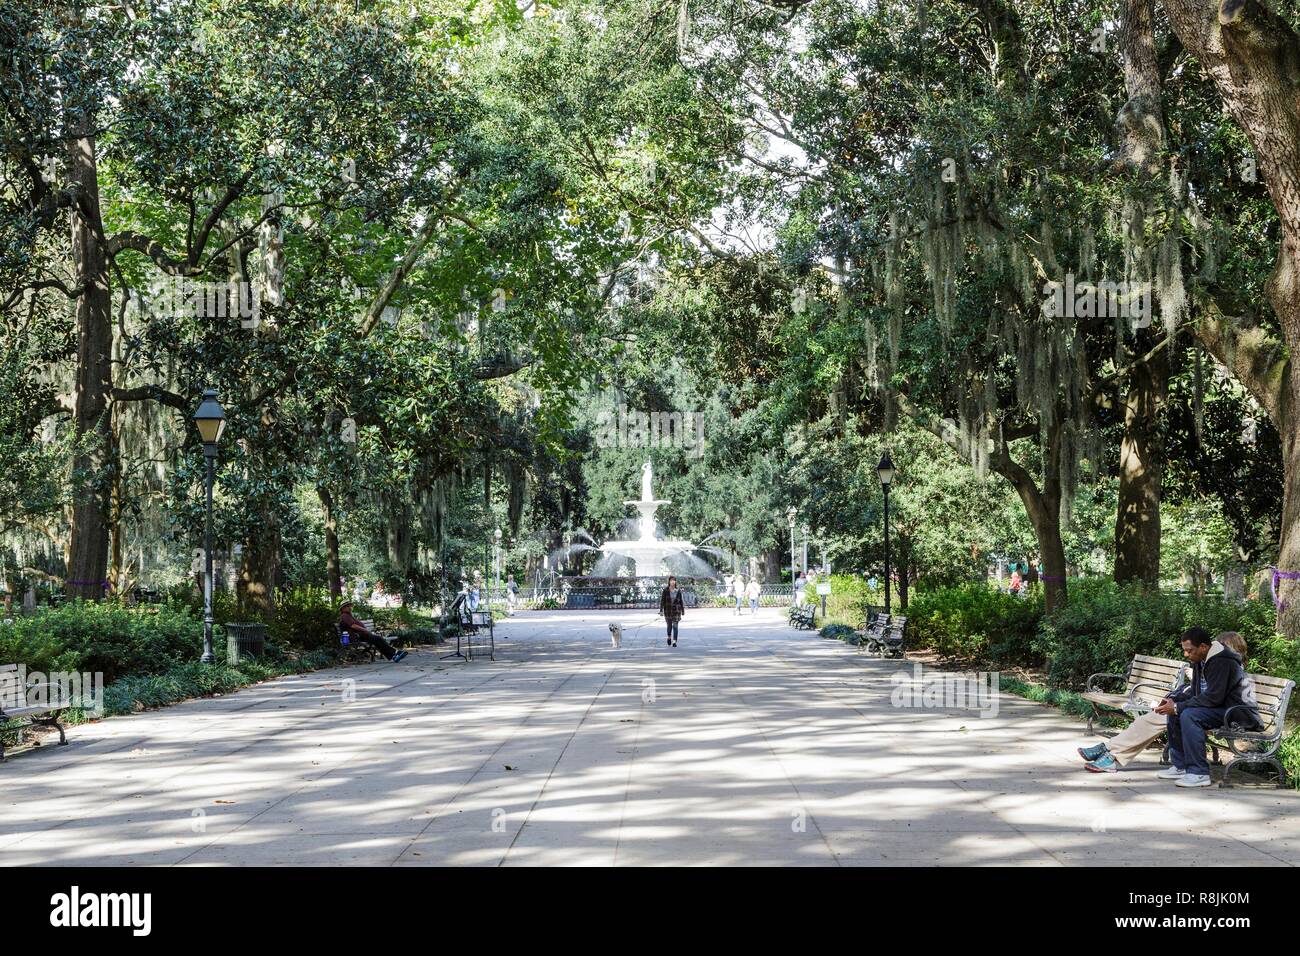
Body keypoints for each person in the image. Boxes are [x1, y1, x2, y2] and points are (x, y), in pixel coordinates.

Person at [1146, 626, 1257, 787]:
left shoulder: (1223, 661)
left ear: (1203, 647)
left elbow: (1214, 697)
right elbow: (1196, 693)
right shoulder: (1201, 660)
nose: (1186, 654)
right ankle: (1181, 766)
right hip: (1218, 708)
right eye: (1185, 650)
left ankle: (1199, 773)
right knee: (1177, 711)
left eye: (1189, 650)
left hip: (1235, 712)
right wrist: (1173, 701)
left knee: (1189, 715)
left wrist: (1179, 707)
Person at [338, 600, 407, 662]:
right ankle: (394, 654)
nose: (350, 607)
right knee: (378, 639)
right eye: (347, 606)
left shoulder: (348, 615)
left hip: (360, 635)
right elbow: (353, 626)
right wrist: (365, 630)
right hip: (356, 637)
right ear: (343, 608)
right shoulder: (344, 616)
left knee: (377, 640)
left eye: (350, 606)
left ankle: (394, 655)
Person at [660, 575, 685, 648]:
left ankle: (674, 641)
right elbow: (662, 601)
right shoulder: (665, 590)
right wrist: (661, 610)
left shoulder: (678, 591)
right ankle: (669, 637)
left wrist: (683, 610)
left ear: (675, 582)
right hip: (667, 611)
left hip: (676, 611)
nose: (673, 581)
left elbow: (681, 601)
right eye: (671, 580)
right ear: (669, 581)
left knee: (675, 626)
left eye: (674, 580)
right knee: (669, 626)